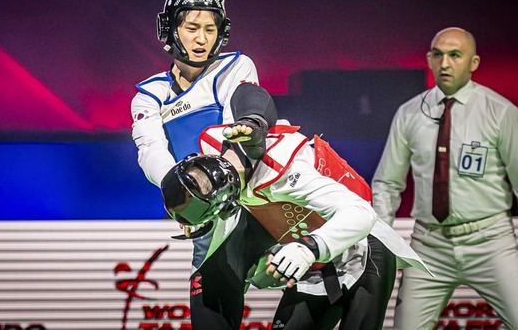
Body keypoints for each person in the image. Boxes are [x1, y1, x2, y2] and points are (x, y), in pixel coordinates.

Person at [162, 122, 431, 329]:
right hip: (315, 266)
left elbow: (361, 213)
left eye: (199, 181)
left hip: (362, 247)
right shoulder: (216, 145)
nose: (201, 180)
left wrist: (308, 248)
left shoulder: (286, 171)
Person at [130, 0, 278, 329]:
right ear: (170, 29)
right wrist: (183, 197)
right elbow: (150, 149)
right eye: (192, 27)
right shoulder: (148, 95)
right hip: (209, 223)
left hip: (265, 210)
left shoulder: (237, 66)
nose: (201, 39)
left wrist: (198, 198)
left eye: (210, 29)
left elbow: (239, 136)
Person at [372, 27, 518, 329]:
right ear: (428, 59)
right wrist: (380, 244)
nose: (445, 63)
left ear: (474, 62)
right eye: (438, 55)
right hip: (429, 246)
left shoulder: (501, 112)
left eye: (455, 55)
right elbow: (387, 183)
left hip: (491, 243)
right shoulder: (409, 113)